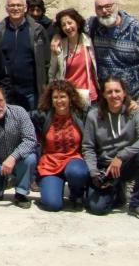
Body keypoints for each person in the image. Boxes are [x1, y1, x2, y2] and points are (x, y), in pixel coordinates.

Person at [82, 75, 139, 220]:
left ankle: (137, 204)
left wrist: (121, 156)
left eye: (117, 91)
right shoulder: (93, 116)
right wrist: (93, 172)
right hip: (105, 167)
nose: (114, 95)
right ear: (103, 94)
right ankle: (117, 190)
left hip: (126, 163)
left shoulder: (134, 112)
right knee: (97, 209)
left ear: (124, 93)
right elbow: (88, 147)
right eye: (109, 92)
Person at [87, 0, 139, 123]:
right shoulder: (93, 26)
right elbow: (69, 25)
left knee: (138, 139)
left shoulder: (137, 30)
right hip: (108, 98)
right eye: (100, 8)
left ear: (117, 6)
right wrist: (57, 37)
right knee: (111, 139)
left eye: (108, 6)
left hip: (135, 97)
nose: (104, 11)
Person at [29, 80, 89, 212]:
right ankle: (54, 186)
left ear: (70, 98)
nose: (59, 100)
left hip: (73, 159)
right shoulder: (43, 115)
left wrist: (128, 103)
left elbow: (102, 110)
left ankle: (77, 193)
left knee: (77, 173)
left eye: (63, 97)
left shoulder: (81, 114)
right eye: (55, 97)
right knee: (52, 205)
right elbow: (22, 116)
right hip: (50, 163)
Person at [0, 0, 49, 110]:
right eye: (12, 5)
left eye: (19, 5)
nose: (15, 8)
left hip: (31, 91)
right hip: (7, 92)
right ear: (6, 8)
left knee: (32, 125)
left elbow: (46, 61)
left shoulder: (37, 30)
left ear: (25, 8)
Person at [50, 8, 98, 107]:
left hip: (89, 96)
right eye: (64, 25)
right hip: (68, 97)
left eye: (70, 23)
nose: (67, 27)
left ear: (77, 23)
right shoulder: (59, 46)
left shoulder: (89, 41)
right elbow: (52, 73)